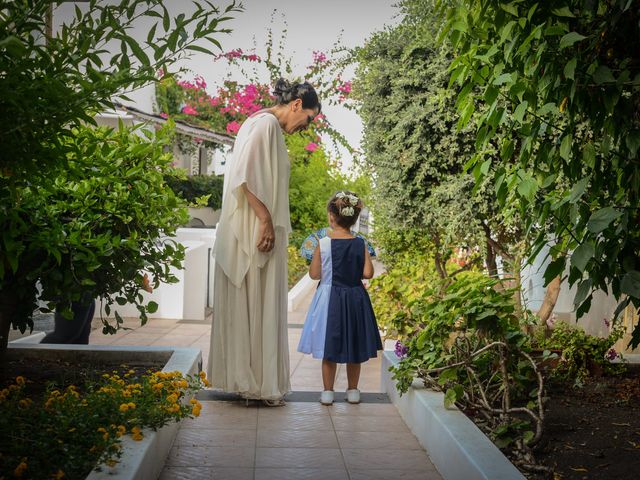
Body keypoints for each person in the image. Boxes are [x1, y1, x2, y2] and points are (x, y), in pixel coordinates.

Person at [208, 78, 321, 406]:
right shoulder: (267, 124)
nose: (306, 127)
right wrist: (265, 220)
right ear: (297, 104)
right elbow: (246, 176)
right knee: (256, 300)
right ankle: (254, 384)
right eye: (309, 119)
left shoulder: (258, 122)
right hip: (255, 230)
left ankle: (251, 381)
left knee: (255, 303)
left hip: (255, 226)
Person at [297, 191, 382, 405]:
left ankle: (328, 392)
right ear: (353, 219)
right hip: (355, 298)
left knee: (329, 344)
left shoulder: (322, 243)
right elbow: (368, 273)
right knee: (354, 343)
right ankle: (353, 391)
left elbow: (314, 274)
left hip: (329, 298)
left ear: (331, 217)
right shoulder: (360, 243)